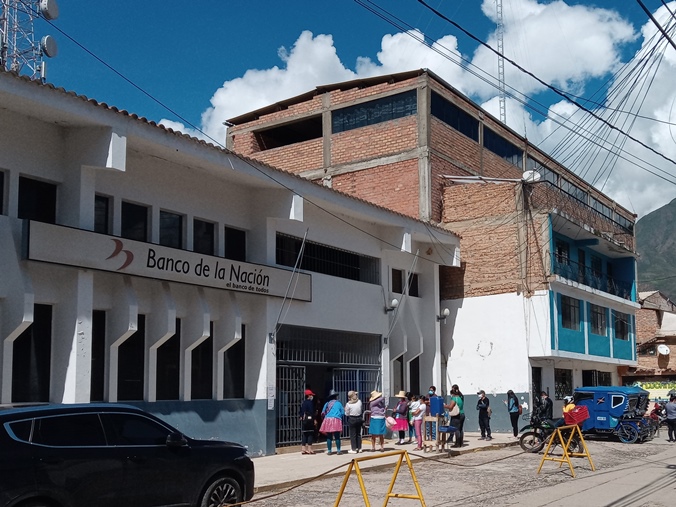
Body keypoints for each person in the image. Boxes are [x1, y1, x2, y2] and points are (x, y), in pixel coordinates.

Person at [319, 389, 344, 455]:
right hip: (336, 420)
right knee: (337, 436)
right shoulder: (339, 403)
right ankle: (338, 450)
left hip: (328, 420)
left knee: (329, 436)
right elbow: (343, 412)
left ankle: (329, 450)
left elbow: (323, 413)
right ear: (336, 397)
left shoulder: (327, 404)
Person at [299, 389, 317, 454]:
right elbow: (312, 412)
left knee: (304, 434)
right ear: (308, 396)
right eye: (311, 395)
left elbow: (301, 411)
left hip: (304, 420)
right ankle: (309, 449)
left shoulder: (303, 402)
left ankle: (303, 449)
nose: (312, 396)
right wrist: (314, 419)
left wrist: (301, 416)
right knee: (310, 434)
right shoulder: (310, 403)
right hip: (310, 420)